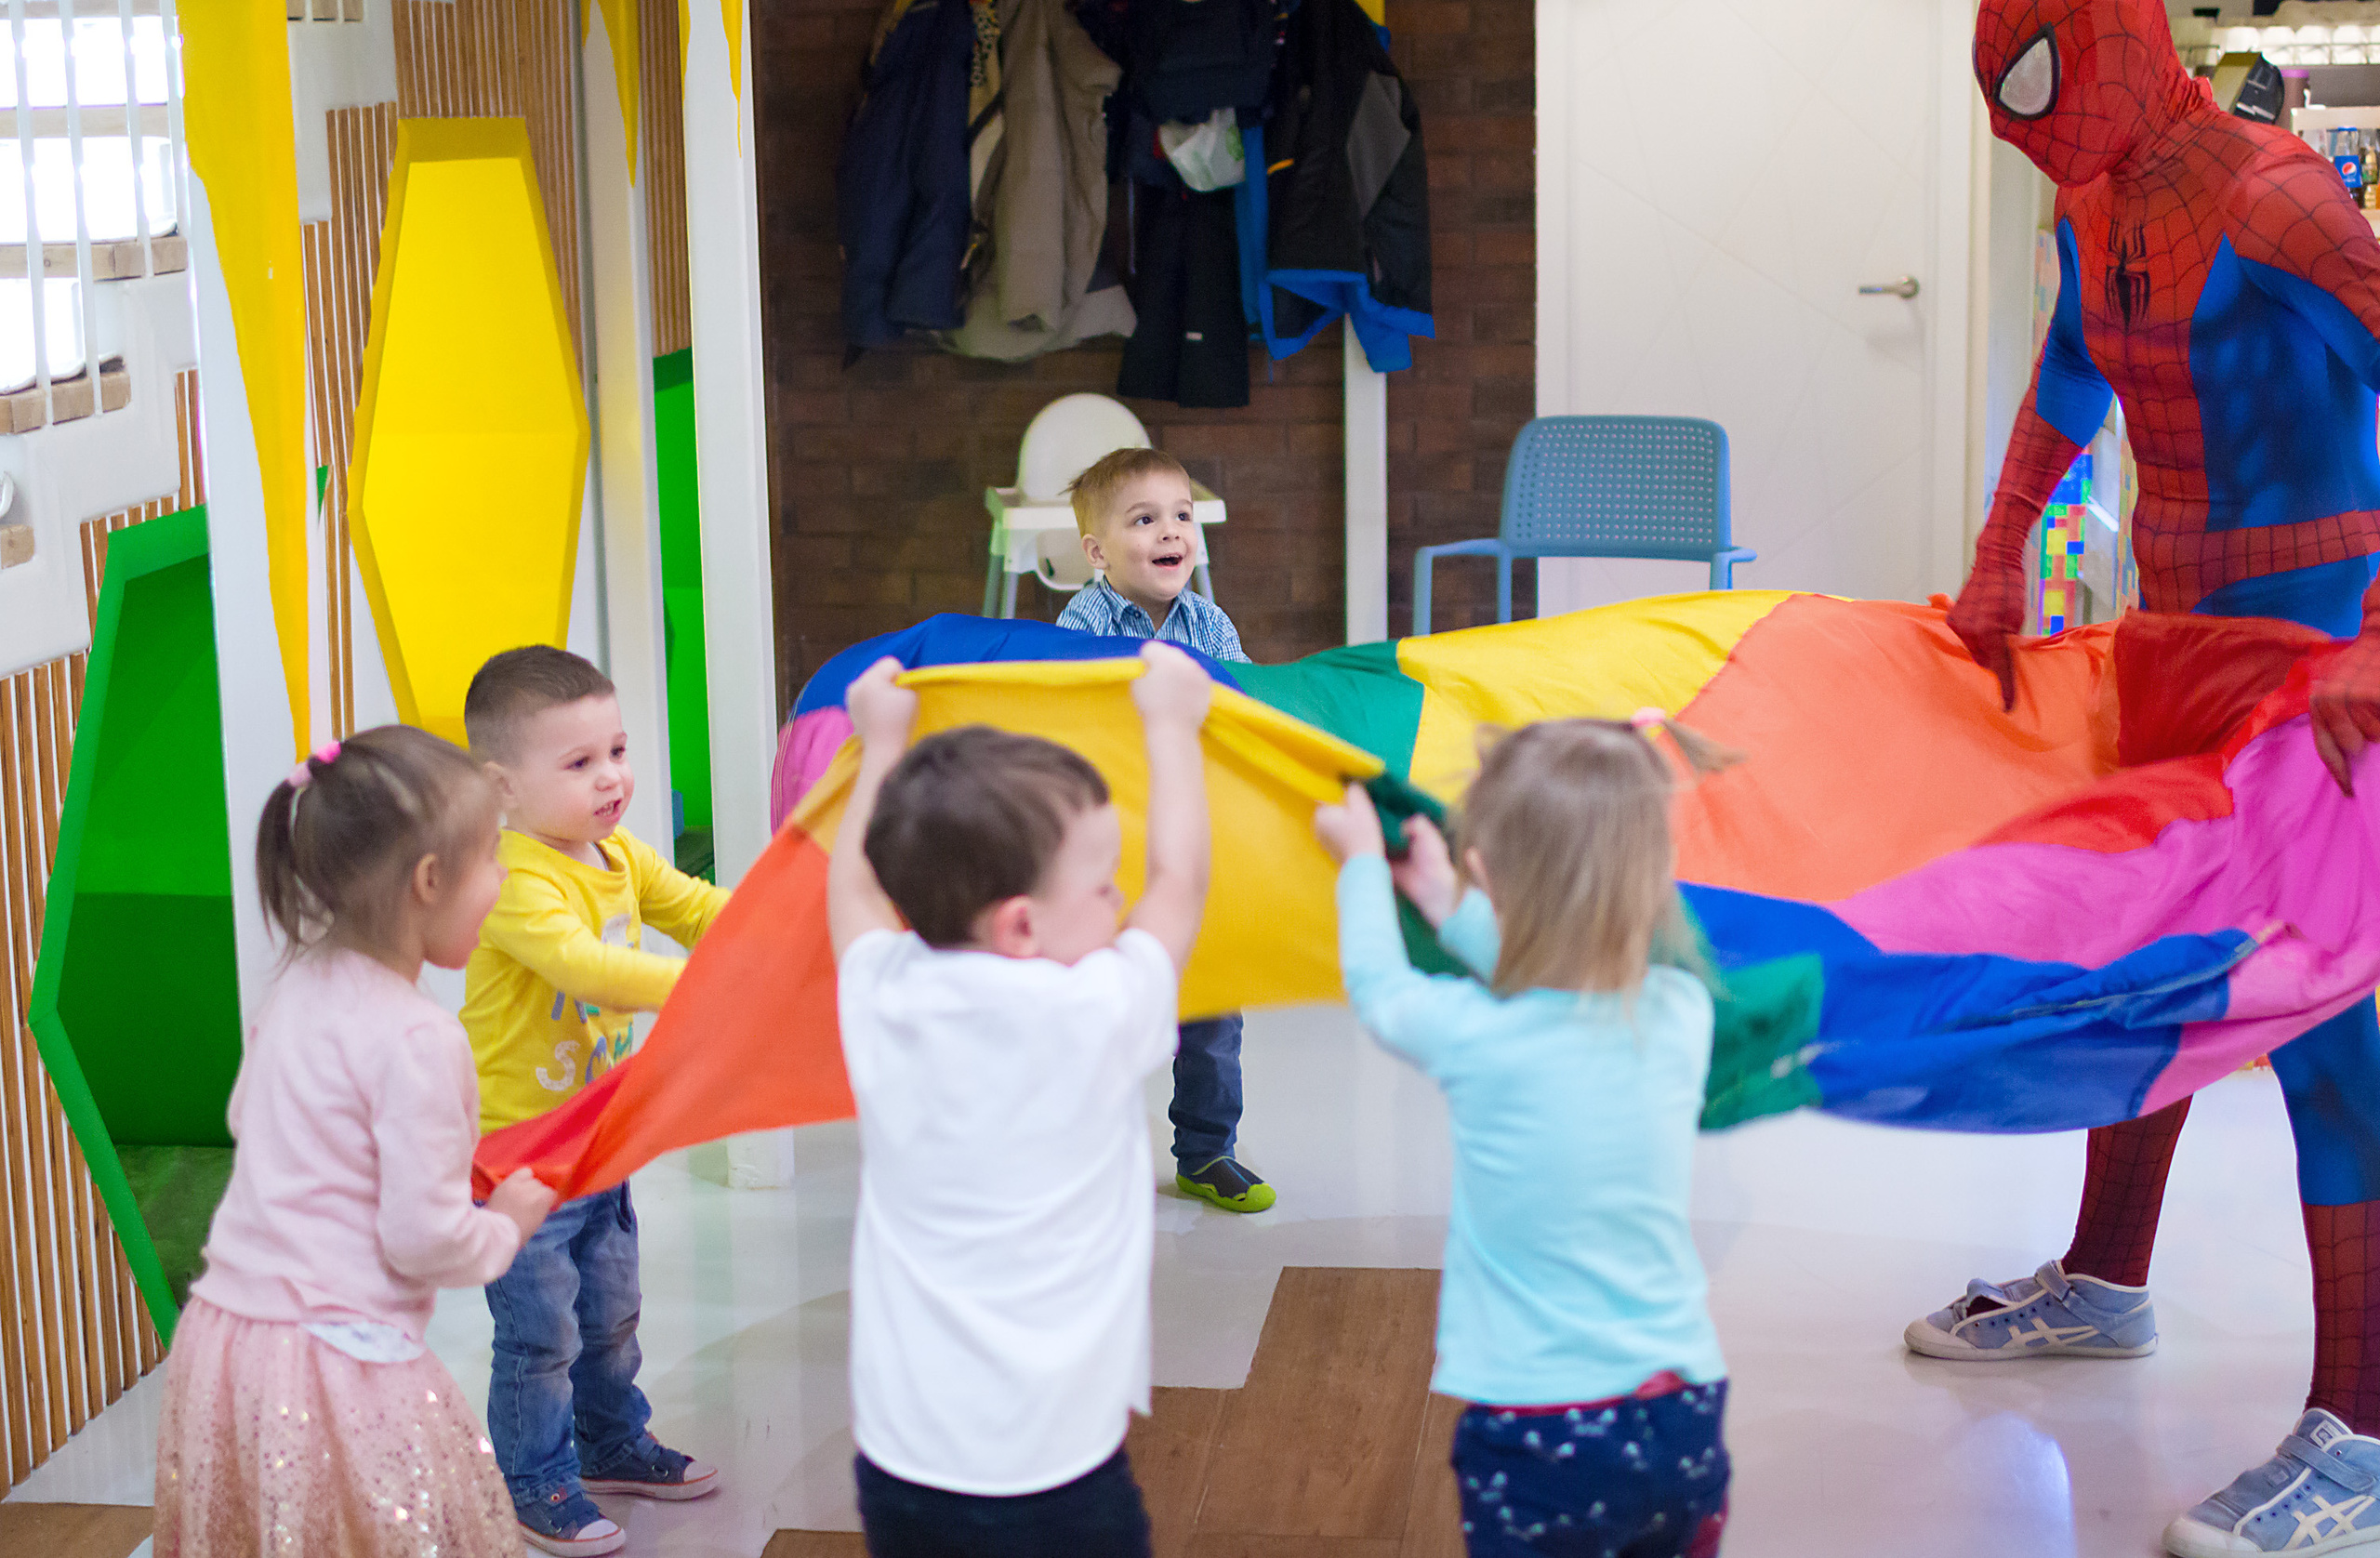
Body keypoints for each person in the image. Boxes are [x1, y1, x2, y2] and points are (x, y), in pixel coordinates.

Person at [1938, 5, 2380, 1551]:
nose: (2025, 124)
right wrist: (1999, 562)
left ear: (2118, 45)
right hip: (2177, 632)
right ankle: (2107, 1278)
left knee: (2317, 1011)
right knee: (2153, 961)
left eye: (2043, 82)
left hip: (2321, 643)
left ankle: (2371, 1436)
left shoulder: (2276, 194)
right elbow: (2071, 379)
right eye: (2004, 95)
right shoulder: (2095, 193)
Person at [1313, 714, 1734, 1558]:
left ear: (1489, 876)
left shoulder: (1478, 1035)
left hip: (1543, 1431)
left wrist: (1361, 866)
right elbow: (1553, 980)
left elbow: (1380, 991)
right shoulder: (1682, 1013)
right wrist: (1443, 901)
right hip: (1684, 1410)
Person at [826, 642, 1212, 1557]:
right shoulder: (1094, 1010)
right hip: (1058, 1476)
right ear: (1022, 923)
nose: (1120, 893)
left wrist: (876, 742)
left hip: (901, 1463)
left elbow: (848, 887)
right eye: (1100, 879)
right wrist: (1171, 724)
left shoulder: (883, 989)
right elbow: (1182, 883)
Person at [153, 727, 559, 1557]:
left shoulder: (298, 987)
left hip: (224, 1337)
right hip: (337, 1362)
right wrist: (509, 1220)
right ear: (429, 881)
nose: (505, 879)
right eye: (492, 859)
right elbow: (425, 1240)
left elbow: (248, 1121)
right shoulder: (420, 1038)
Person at [460, 645, 730, 1556]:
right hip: (522, 1159)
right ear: (501, 785)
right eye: (578, 763)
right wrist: (697, 986)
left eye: (615, 750)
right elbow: (588, 967)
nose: (611, 776)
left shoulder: (619, 854)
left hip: (600, 1143)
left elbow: (694, 905)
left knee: (610, 1313)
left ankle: (611, 1439)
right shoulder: (512, 877)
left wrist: (772, 923)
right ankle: (533, 1479)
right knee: (541, 1336)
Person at [1054, 444, 1270, 1215]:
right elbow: (1071, 714)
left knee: (1208, 1005)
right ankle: (1089, 1152)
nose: (1170, 532)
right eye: (1144, 520)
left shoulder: (1209, 622)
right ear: (1098, 550)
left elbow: (1243, 704)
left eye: (1181, 516)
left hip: (1190, 841)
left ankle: (1207, 1152)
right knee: (1103, 1004)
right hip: (1111, 846)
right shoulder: (1081, 622)